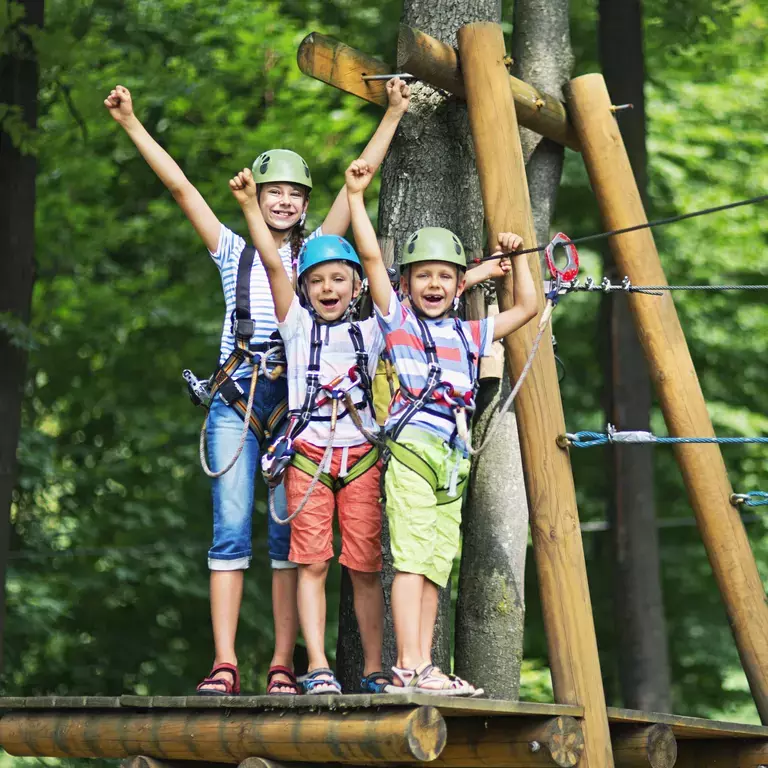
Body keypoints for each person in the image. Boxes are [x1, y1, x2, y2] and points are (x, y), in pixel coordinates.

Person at [104, 78, 410, 696]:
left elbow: (358, 182)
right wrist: (132, 122)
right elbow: (182, 188)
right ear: (259, 196)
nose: (284, 202)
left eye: (295, 194)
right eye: (274, 192)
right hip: (237, 398)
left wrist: (395, 114)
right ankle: (224, 662)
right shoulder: (233, 251)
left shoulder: (319, 256)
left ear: (305, 203)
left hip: (298, 405)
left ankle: (281, 663)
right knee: (229, 527)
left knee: (289, 539)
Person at [345, 158, 538, 695]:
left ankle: (425, 664)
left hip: (452, 461)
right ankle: (408, 664)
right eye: (423, 275)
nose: (434, 284)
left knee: (435, 565)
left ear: (459, 287)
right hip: (413, 451)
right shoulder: (397, 322)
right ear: (405, 284)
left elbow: (527, 306)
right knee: (410, 558)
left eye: (445, 277)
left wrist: (519, 258)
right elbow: (370, 258)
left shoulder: (470, 333)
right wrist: (356, 198)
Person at [230, 166, 389, 696]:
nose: (328, 288)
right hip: (308, 459)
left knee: (364, 567)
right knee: (312, 562)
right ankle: (318, 665)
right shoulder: (295, 326)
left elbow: (374, 263)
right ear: (303, 291)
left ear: (357, 287)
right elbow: (274, 264)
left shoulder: (374, 330)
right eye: (317, 281)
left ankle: (373, 667)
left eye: (339, 279)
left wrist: (357, 198)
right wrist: (250, 206)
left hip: (360, 458)